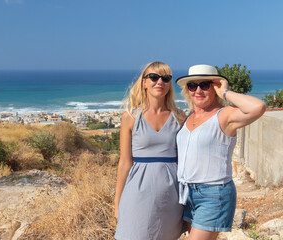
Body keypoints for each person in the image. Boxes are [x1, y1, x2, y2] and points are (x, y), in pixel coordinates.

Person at [175, 64, 266, 240]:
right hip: (187, 193)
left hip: (213, 193)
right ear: (187, 90)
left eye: (205, 85)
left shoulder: (225, 115)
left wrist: (225, 92)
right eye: (193, 85)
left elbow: (258, 107)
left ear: (214, 87)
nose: (198, 90)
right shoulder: (188, 117)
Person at [114, 61, 185, 240]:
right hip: (136, 193)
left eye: (165, 78)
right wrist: (117, 202)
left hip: (170, 196)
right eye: (153, 77)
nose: (159, 82)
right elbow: (124, 162)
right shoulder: (130, 117)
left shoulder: (180, 118)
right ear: (144, 82)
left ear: (170, 84)